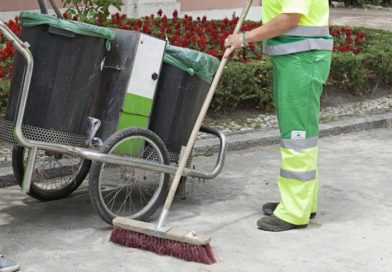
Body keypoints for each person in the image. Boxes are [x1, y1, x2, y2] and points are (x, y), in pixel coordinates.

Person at [225, 0, 332, 232]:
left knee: (298, 137)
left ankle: (294, 212)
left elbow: (289, 18)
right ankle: (301, 203)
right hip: (295, 57)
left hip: (302, 59)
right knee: (300, 135)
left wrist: (244, 38)